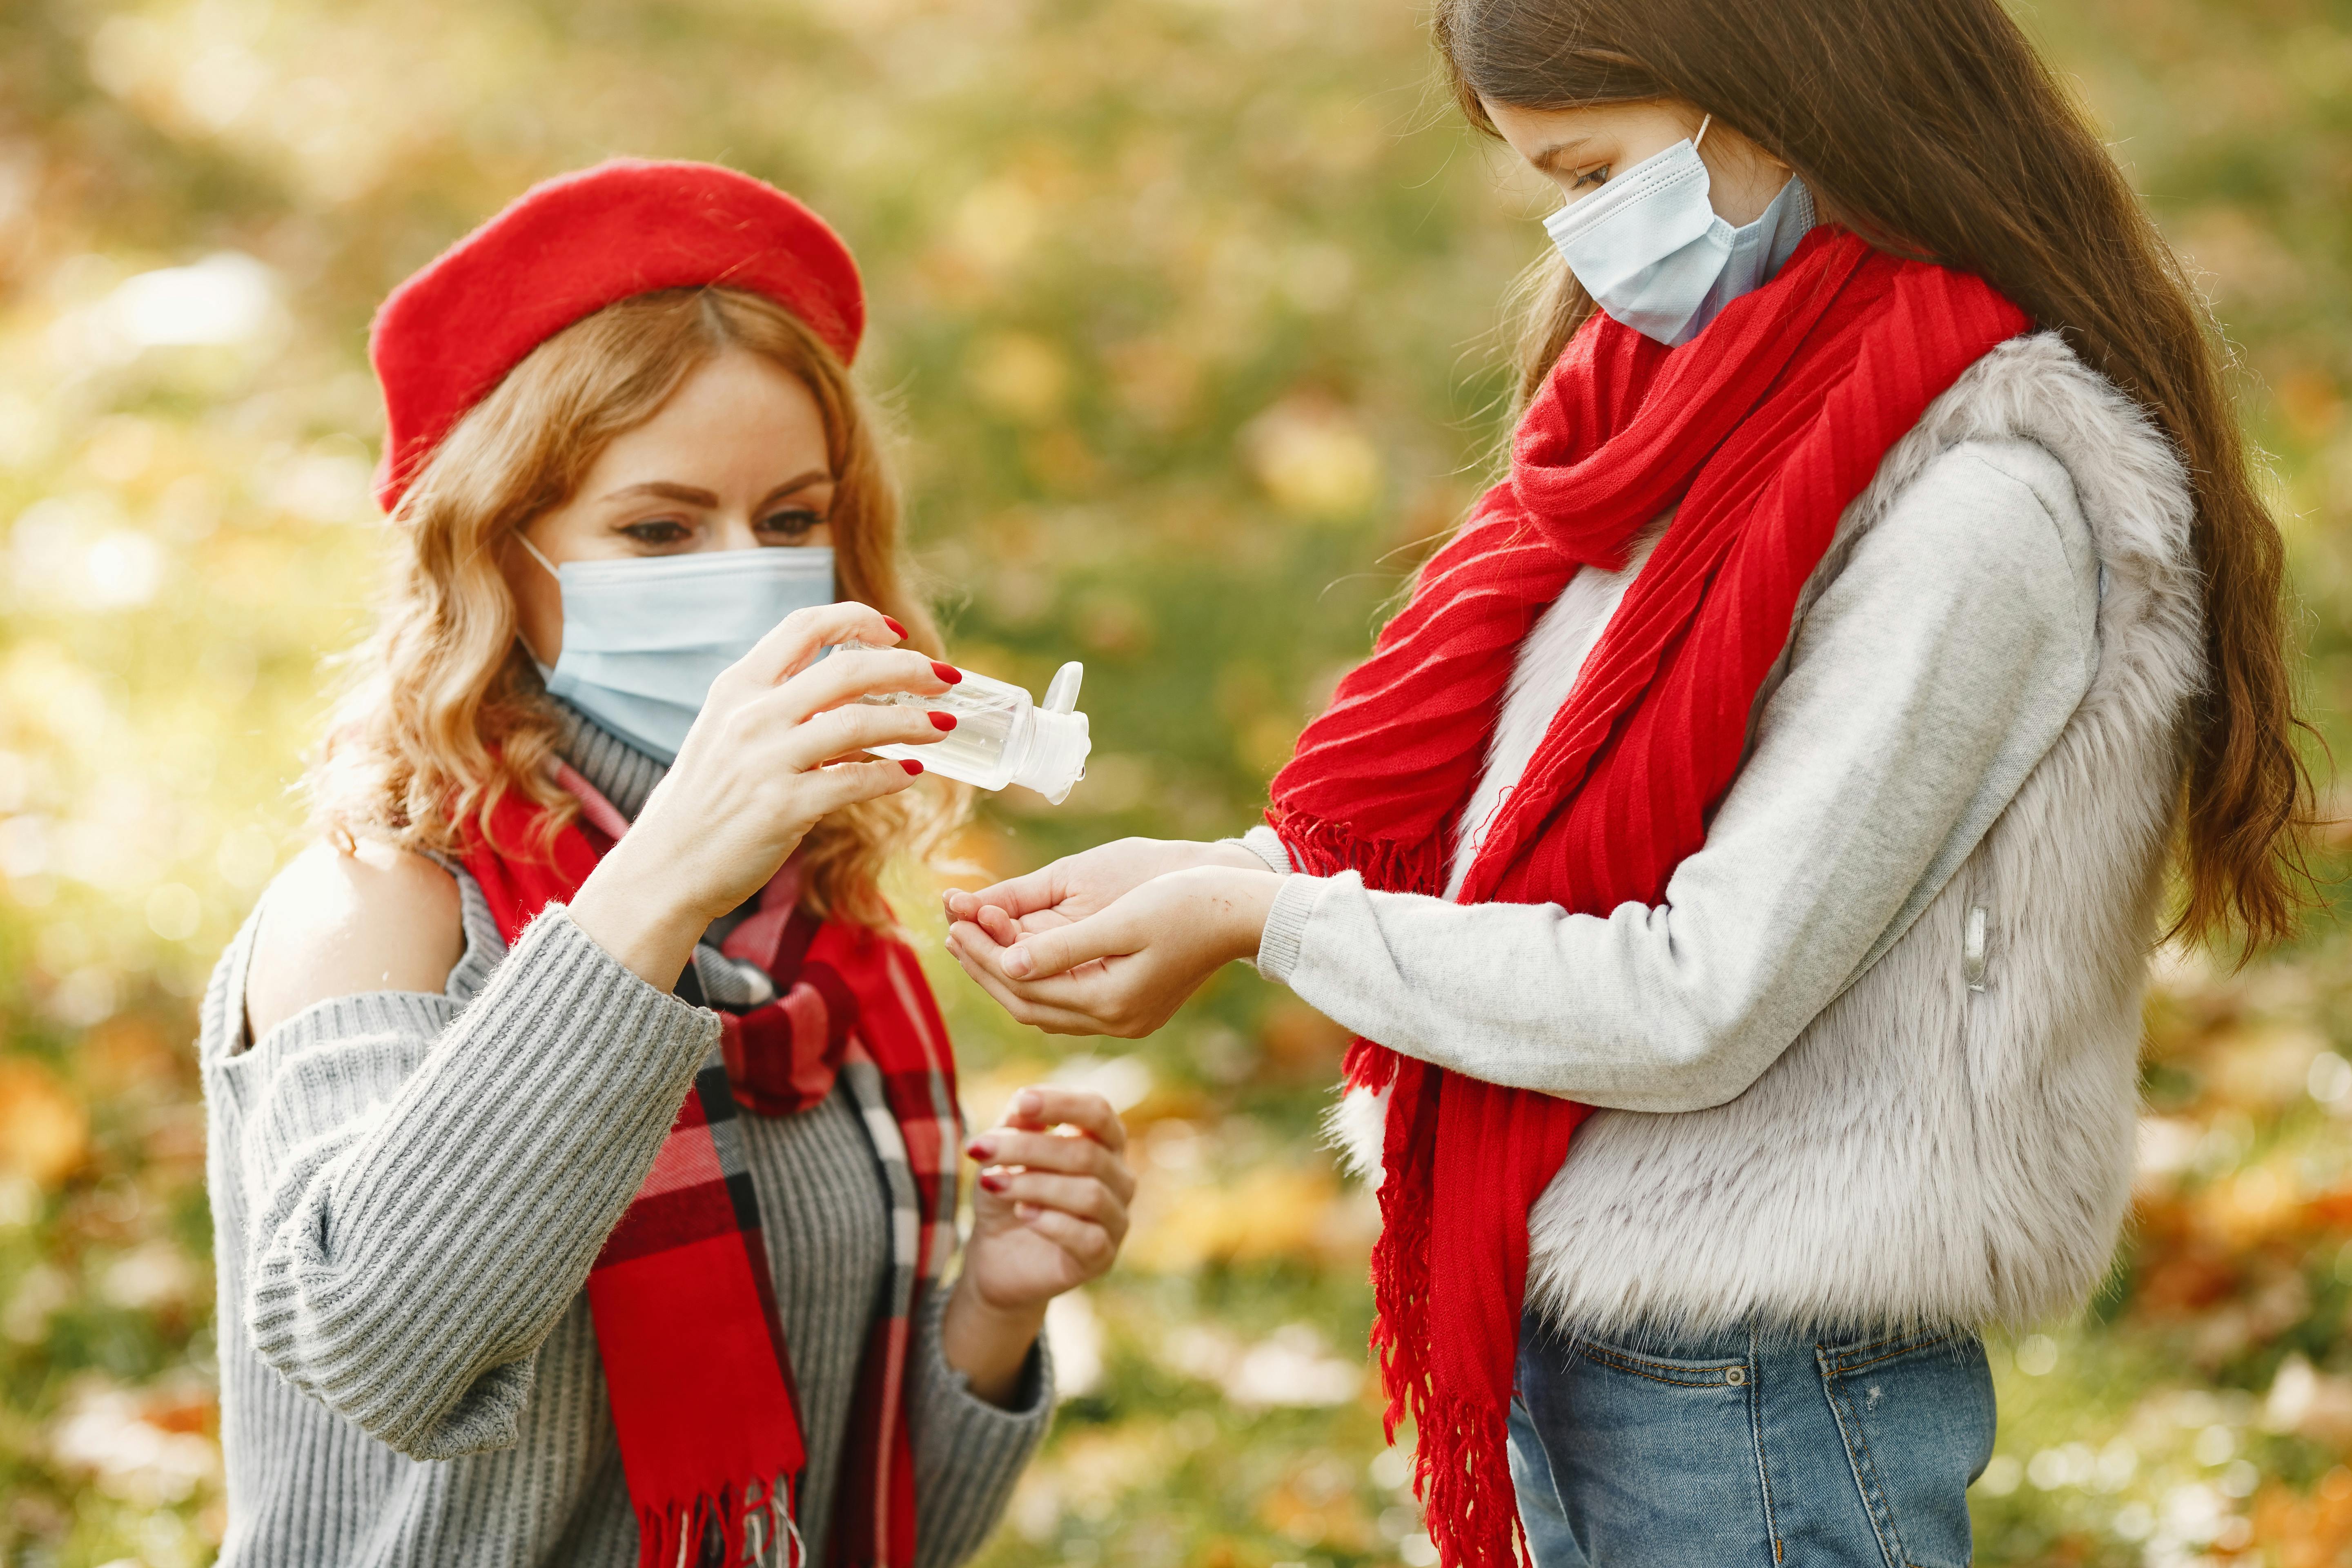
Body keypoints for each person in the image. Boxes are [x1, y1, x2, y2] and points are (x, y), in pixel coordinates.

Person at [939, 2, 2313, 1565]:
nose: (1582, 240)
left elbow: (1697, 993)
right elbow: (1537, 833)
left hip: (1760, 1379)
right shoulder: (1694, 415)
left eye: (1595, 170)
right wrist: (1234, 870)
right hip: (1585, 1323)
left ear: (1772, 96)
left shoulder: (1975, 514)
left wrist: (1267, 921)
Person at [200, 160, 1135, 1568]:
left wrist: (994, 1311)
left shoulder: (826, 950)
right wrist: (657, 887)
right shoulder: (376, 908)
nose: (746, 574)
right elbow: (377, 1349)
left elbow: (848, 1532)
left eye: (792, 520)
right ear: (497, 553)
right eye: (657, 529)